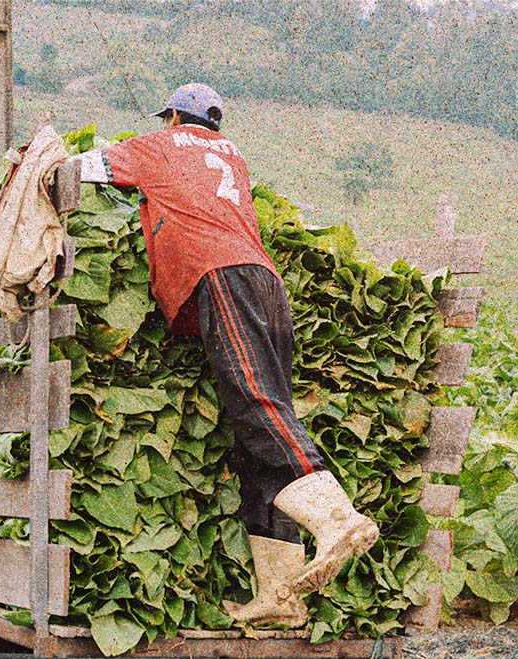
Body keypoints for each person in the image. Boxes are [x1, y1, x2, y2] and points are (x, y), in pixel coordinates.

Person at [75, 83, 378, 627]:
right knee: (255, 440)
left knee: (254, 402)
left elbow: (85, 167)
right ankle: (282, 597)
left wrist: (37, 162)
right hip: (265, 282)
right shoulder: (231, 155)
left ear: (173, 117)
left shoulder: (161, 145)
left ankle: (337, 519)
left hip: (223, 275)